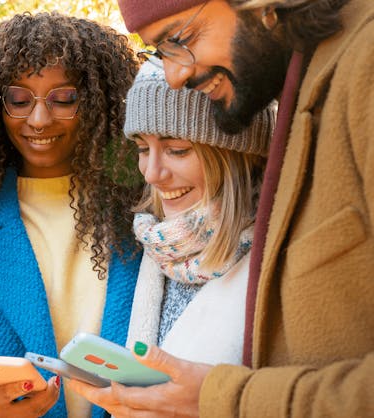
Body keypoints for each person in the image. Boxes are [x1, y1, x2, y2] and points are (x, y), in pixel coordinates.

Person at [69, 0, 374, 415]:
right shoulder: (312, 76)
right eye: (160, 52)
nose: (174, 76)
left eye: (180, 39)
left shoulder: (362, 60)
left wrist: (223, 399)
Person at [0, 12, 142, 418]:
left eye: (63, 99)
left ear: (99, 102)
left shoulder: (143, 212)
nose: (39, 119)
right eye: (19, 99)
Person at [66, 60, 272, 408]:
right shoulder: (159, 245)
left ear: (236, 155)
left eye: (177, 150)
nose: (151, 173)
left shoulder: (277, 257)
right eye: (143, 149)